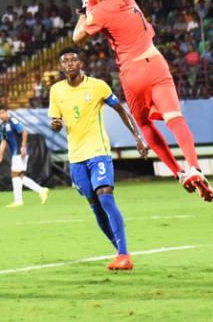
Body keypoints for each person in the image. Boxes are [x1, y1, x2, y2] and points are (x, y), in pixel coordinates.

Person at [11, 0, 213, 201]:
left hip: (132, 71)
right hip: (155, 61)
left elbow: (76, 36)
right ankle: (194, 166)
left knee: (144, 125)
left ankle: (177, 171)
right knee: (174, 118)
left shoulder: (100, 12)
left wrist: (84, 10)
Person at [49, 47, 149, 270]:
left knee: (105, 197)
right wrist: (54, 125)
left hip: (98, 152)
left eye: (74, 60)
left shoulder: (97, 86)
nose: (70, 64)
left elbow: (121, 110)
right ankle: (120, 252)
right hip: (76, 158)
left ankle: (124, 255)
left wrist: (138, 138)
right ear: (61, 66)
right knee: (95, 206)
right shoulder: (56, 91)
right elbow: (55, 124)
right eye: (65, 61)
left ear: (81, 63)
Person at [0, 105, 49, 207]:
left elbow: (24, 132)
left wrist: (23, 147)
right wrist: (0, 154)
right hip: (15, 152)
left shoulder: (12, 121)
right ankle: (41, 190)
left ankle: (19, 201)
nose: (1, 115)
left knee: (15, 175)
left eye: (2, 113)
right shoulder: (2, 125)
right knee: (19, 176)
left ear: (6, 112)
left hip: (19, 150)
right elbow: (4, 140)